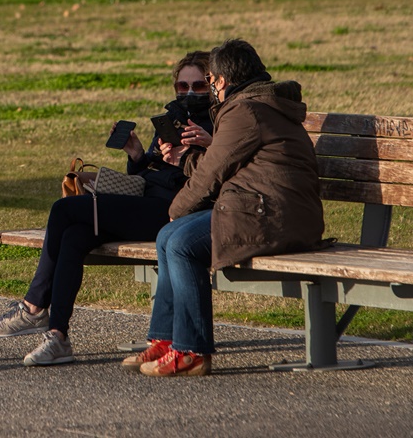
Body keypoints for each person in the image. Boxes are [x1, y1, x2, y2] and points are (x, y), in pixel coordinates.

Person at [0, 52, 215, 366]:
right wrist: (136, 154)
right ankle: (58, 336)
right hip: (145, 204)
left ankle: (34, 306)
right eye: (181, 85)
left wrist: (195, 152)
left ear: (212, 84)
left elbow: (211, 179)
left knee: (64, 210)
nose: (188, 92)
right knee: (75, 235)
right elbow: (147, 176)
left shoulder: (217, 123)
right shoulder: (171, 118)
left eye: (197, 85)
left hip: (175, 214)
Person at [122, 39, 325, 377]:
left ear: (222, 80)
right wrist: (185, 158)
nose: (212, 87)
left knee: (182, 243)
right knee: (168, 236)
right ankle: (167, 339)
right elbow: (222, 164)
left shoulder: (245, 110)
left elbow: (213, 174)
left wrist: (178, 208)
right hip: (263, 206)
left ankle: (193, 351)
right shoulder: (255, 104)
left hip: (274, 214)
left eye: (211, 79)